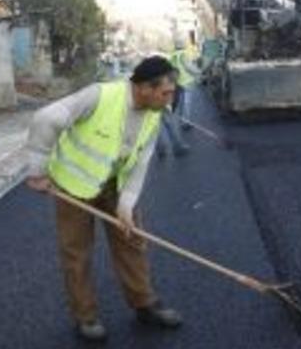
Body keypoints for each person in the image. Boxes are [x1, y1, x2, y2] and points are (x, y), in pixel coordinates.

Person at [24, 56, 183, 342]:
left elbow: (140, 163)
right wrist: (37, 171)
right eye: (166, 92)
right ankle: (85, 317)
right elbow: (45, 118)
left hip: (114, 184)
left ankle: (144, 303)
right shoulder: (99, 96)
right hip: (73, 185)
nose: (169, 99)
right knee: (76, 253)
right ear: (145, 87)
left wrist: (126, 206)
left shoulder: (153, 113)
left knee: (132, 239)